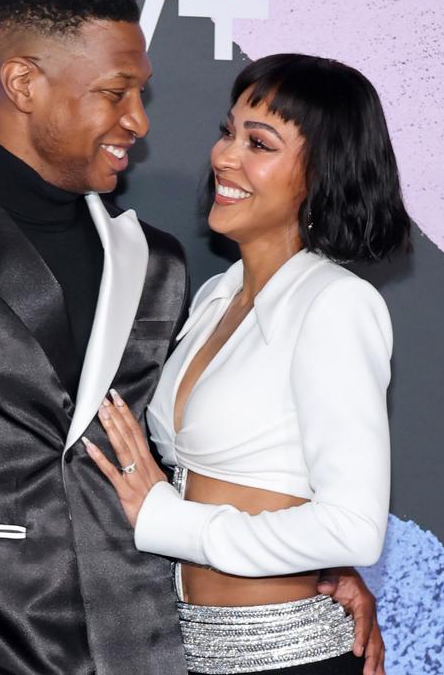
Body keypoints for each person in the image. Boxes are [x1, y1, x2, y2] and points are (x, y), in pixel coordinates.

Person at [0, 0, 383, 674]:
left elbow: (179, 463)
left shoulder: (156, 260)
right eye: (114, 93)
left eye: (141, 93)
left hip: (160, 653)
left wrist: (302, 579)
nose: (139, 121)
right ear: (24, 84)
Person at [87, 53, 410, 675]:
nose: (224, 156)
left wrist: (172, 522)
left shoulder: (336, 304)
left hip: (289, 659)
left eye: (258, 143)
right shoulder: (215, 296)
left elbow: (353, 529)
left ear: (322, 175)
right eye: (227, 131)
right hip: (188, 654)